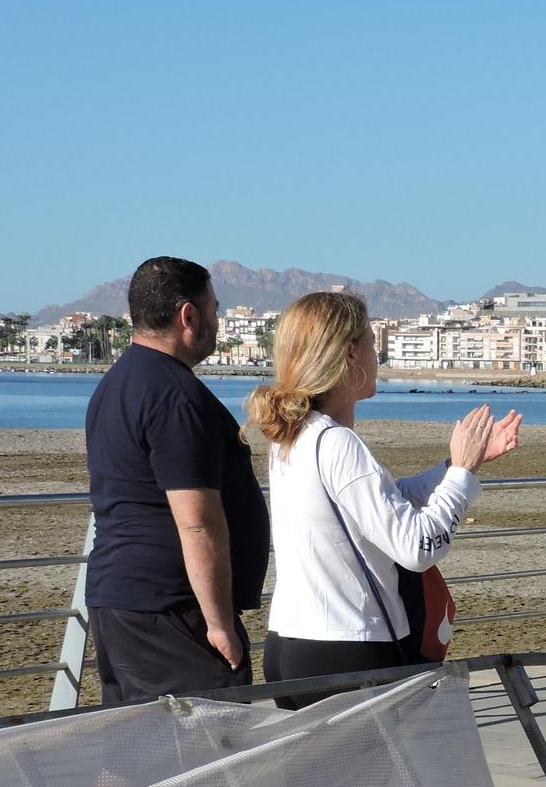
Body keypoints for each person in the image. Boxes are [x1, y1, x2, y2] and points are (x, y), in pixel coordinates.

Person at [246, 291, 521, 709]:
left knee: (318, 777)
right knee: (377, 776)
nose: (380, 356)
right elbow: (417, 548)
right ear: (351, 354)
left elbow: (380, 505)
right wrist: (461, 476)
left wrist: (459, 465)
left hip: (290, 645)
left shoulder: (293, 436)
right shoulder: (338, 443)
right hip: (346, 649)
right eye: (375, 344)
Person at [84, 257, 270, 704]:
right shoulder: (176, 398)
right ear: (189, 315)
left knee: (131, 753)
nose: (218, 321)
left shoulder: (116, 384)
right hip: (169, 611)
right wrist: (220, 624)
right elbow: (198, 523)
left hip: (121, 600)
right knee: (212, 748)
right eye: (214, 309)